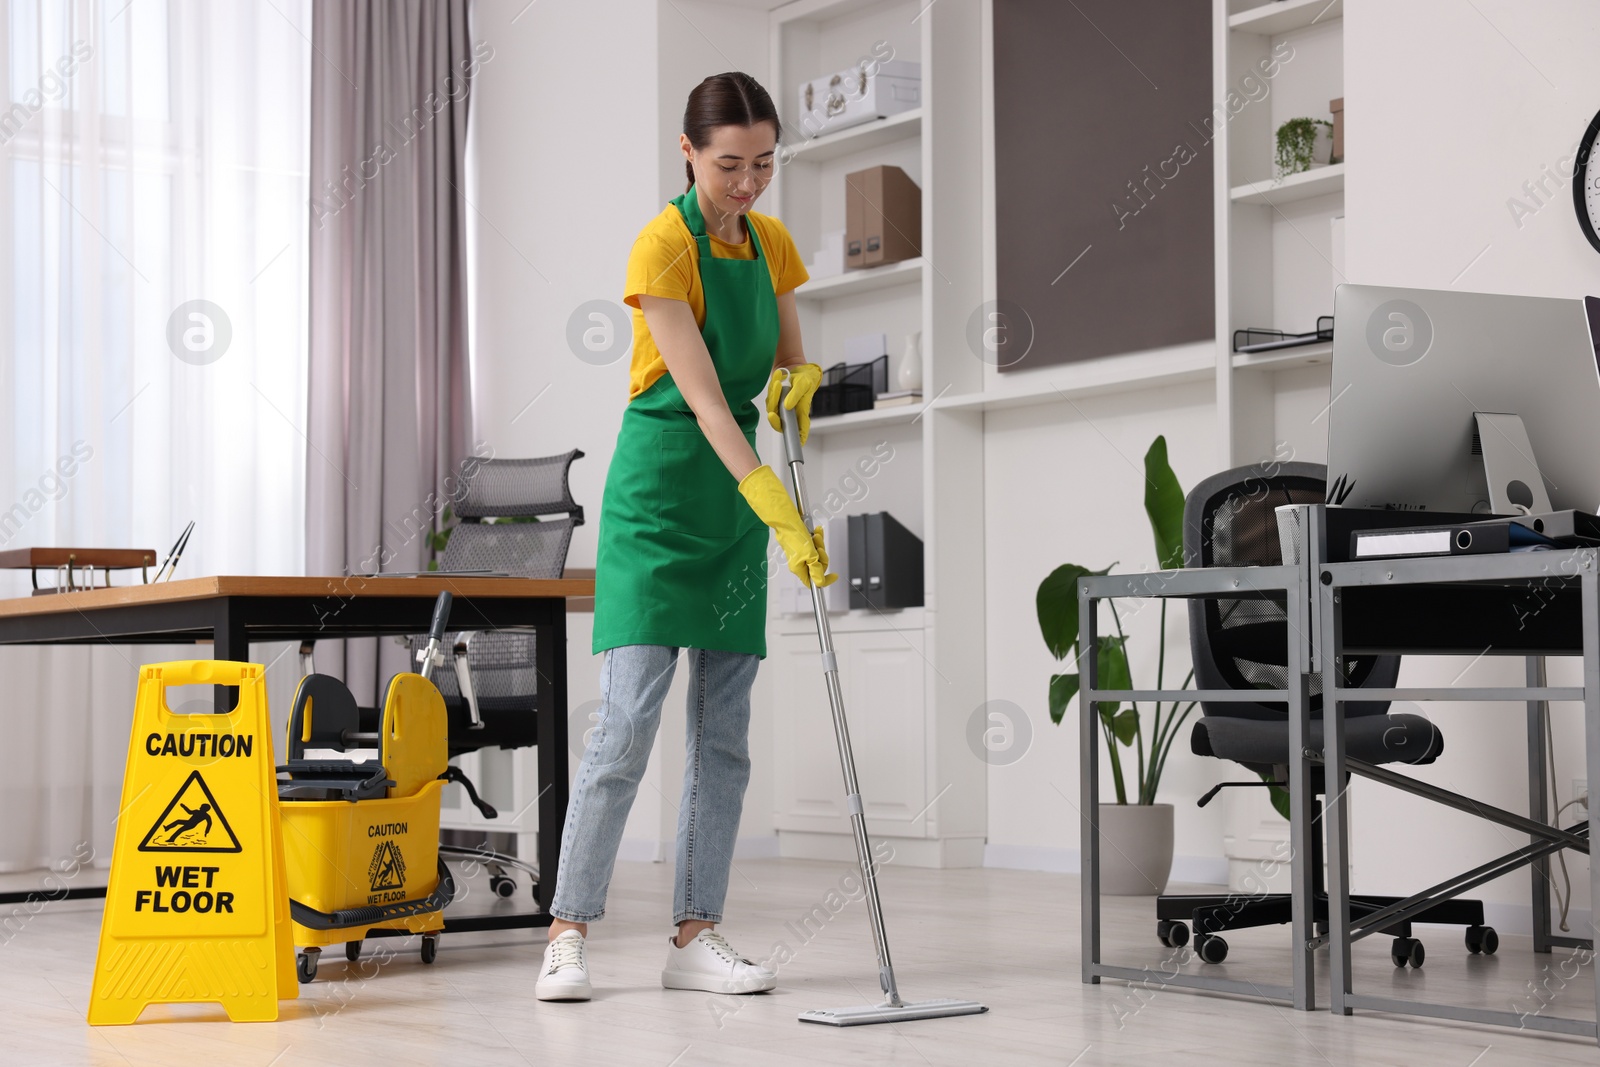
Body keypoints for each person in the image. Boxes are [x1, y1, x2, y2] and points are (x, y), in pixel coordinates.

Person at [536, 71, 836, 1003]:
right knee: (625, 724)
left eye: (765, 164)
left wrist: (802, 381)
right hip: (664, 489)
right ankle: (567, 930)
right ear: (689, 153)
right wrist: (773, 502)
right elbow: (705, 397)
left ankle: (695, 933)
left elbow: (782, 363)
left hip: (733, 499)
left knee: (725, 732)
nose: (748, 184)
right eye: (730, 165)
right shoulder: (663, 246)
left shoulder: (773, 243)